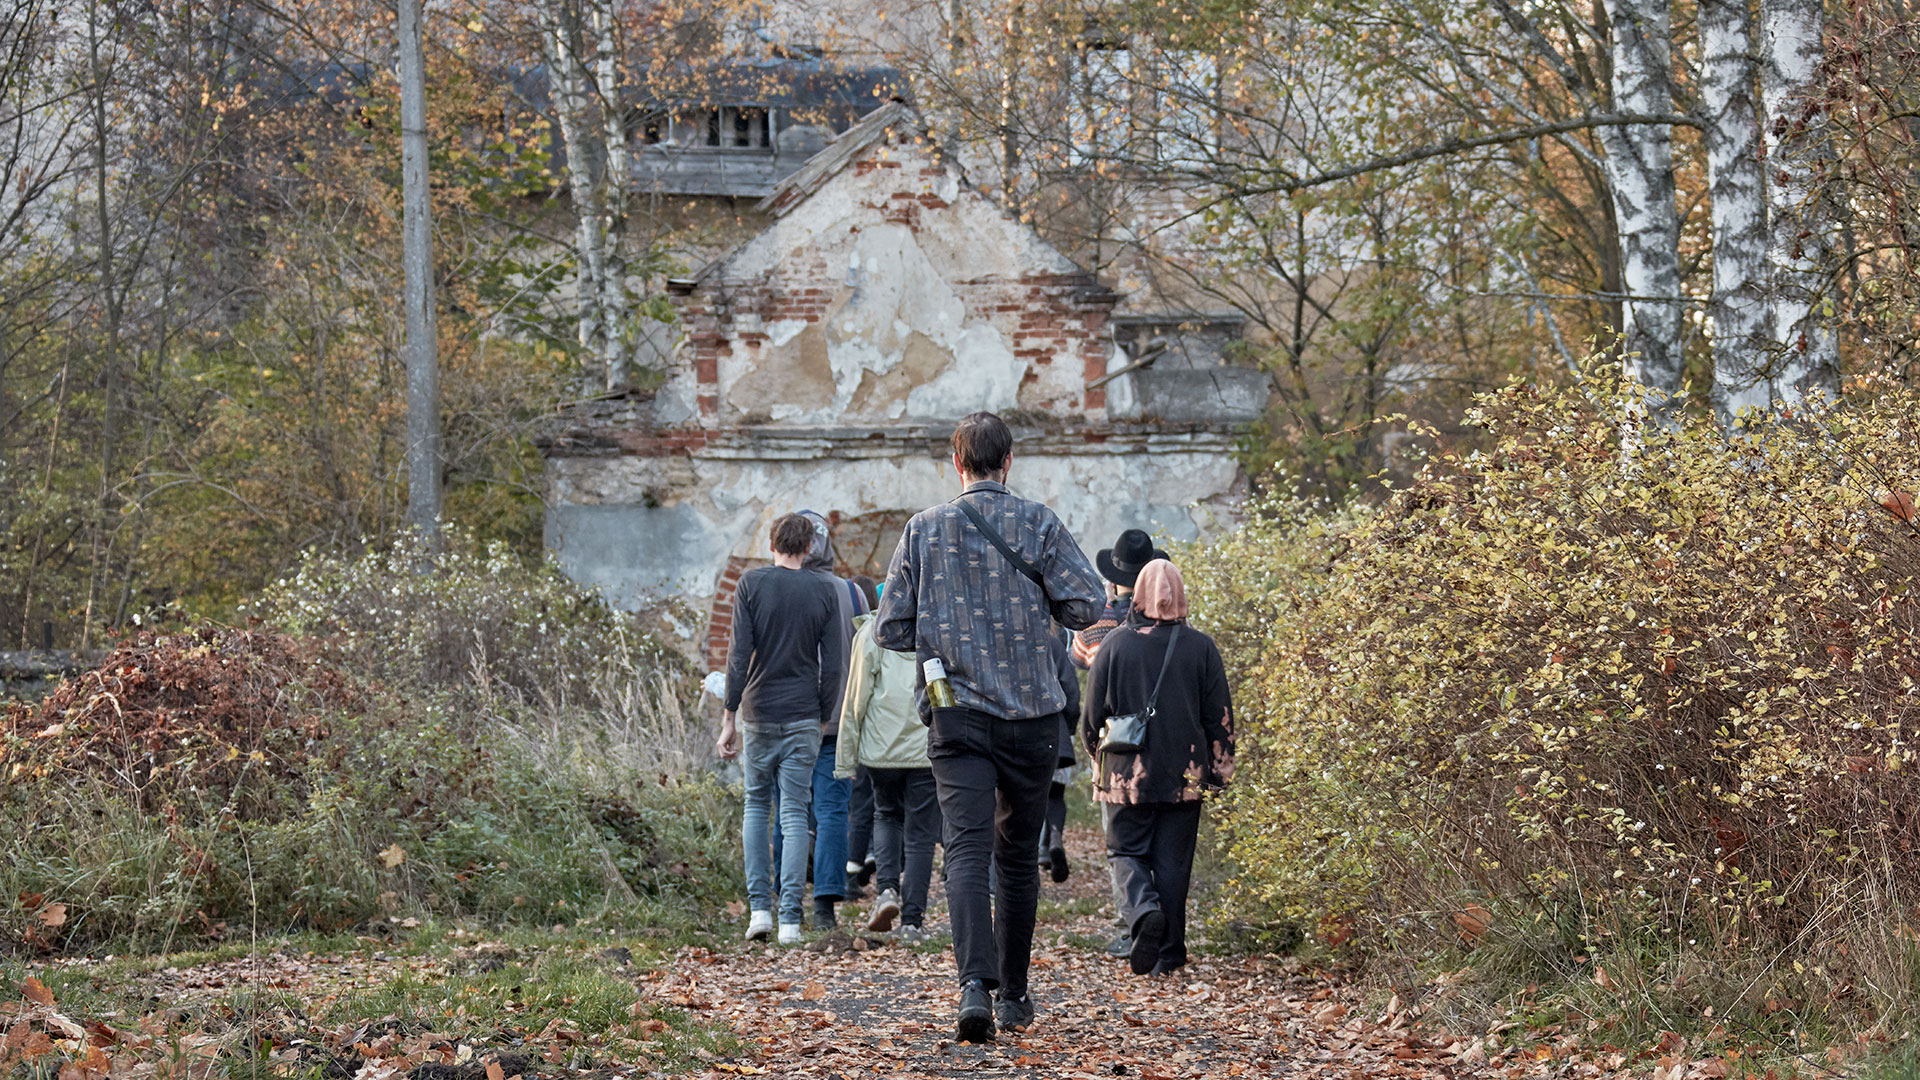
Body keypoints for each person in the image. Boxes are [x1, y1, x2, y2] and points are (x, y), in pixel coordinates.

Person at [875, 410, 1104, 1042]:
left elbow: (889, 627)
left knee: (967, 851)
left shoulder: (923, 530)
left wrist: (942, 630)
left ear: (957, 463)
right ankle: (1015, 993)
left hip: (957, 716)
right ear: (1009, 462)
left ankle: (973, 986)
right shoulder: (1039, 523)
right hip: (1031, 716)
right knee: (1017, 859)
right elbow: (1088, 603)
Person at [1081, 558, 1234, 976]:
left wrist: (1097, 754)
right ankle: (1169, 953)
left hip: (1125, 774)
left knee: (1125, 850)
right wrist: (1219, 772)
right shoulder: (1201, 647)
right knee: (1173, 863)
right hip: (1184, 775)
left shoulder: (1114, 645)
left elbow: (1092, 715)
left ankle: (1143, 911)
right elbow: (1218, 716)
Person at [716, 513, 850, 946]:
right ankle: (791, 919)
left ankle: (760, 911)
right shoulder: (825, 589)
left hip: (758, 711)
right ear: (809, 548)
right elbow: (834, 664)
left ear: (771, 543)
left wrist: (728, 717)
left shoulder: (751, 585)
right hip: (804, 714)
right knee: (795, 813)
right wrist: (824, 714)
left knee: (756, 806)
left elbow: (739, 656)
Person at [1072, 528, 1168, 956]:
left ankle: (1132, 919)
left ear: (1113, 579)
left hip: (1117, 744)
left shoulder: (1098, 626)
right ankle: (1157, 916)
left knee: (1121, 839)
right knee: (1161, 840)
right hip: (1167, 741)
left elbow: (1076, 659)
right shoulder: (1173, 622)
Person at [834, 579, 942, 940]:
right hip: (925, 748)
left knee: (886, 815)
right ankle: (913, 922)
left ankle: (886, 891)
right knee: (922, 835)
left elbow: (855, 701)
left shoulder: (872, 633)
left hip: (881, 752)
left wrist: (846, 761)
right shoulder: (936, 632)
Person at [1038, 631, 1080, 884]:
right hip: (1058, 734)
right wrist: (1070, 729)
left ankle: (1038, 852)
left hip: (1027, 734)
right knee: (1055, 794)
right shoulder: (1058, 639)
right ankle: (1053, 837)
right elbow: (1071, 693)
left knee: (1029, 797)